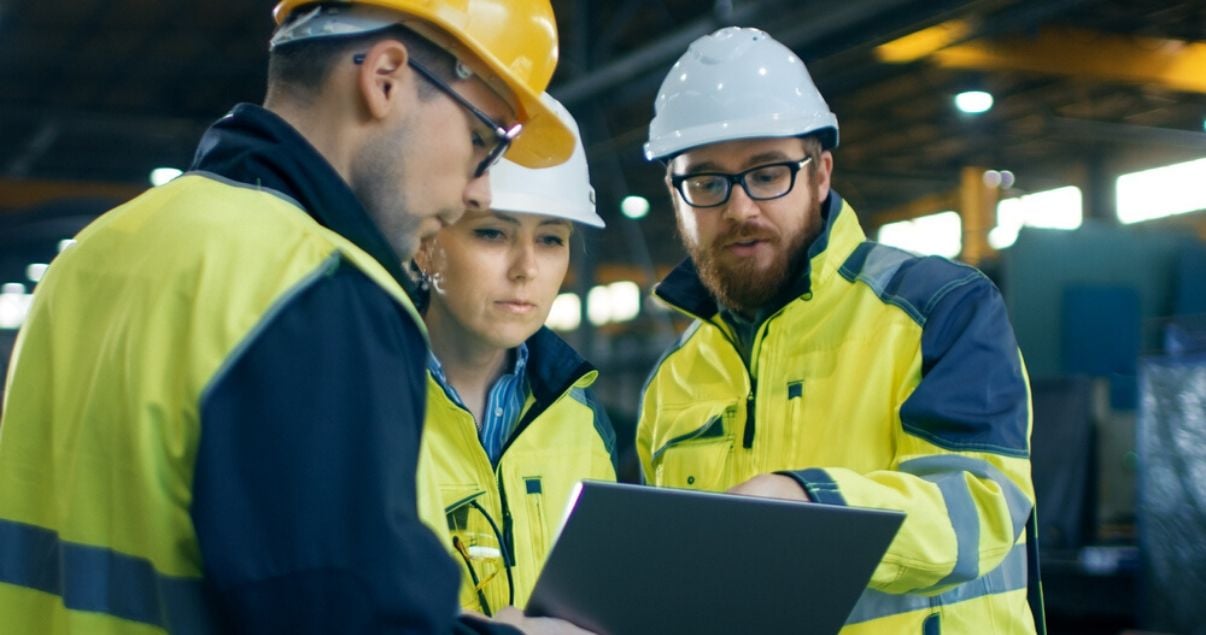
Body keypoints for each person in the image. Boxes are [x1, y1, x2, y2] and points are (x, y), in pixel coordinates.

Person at [0, 1, 589, 633]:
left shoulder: (98, 250)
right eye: (482, 140)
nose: (480, 191)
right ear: (384, 78)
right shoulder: (318, 289)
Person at [635, 27, 1043, 634]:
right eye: (706, 182)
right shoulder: (673, 380)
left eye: (768, 173)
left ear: (820, 174)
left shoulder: (941, 310)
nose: (740, 208)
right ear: (676, 197)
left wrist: (812, 502)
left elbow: (979, 511)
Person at [413, 94, 616, 616]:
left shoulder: (584, 421)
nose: (526, 268)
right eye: (492, 233)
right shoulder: (360, 403)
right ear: (425, 244)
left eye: (551, 239)